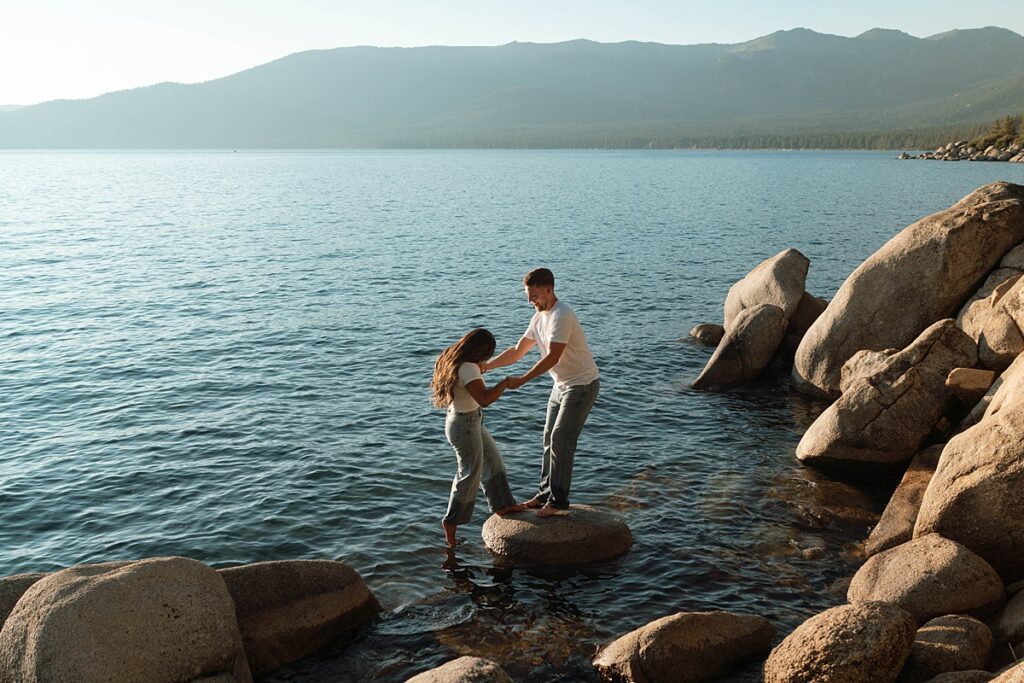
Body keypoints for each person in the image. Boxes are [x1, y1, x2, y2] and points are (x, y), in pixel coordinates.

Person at [482, 268, 600, 518]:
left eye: (534, 295)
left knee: (561, 438)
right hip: (561, 385)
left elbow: (552, 357)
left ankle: (559, 502)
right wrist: (487, 366)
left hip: (581, 384)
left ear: (549, 289)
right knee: (548, 438)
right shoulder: (539, 318)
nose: (530, 301)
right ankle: (545, 494)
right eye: (528, 295)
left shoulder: (562, 314)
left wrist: (523, 380)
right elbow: (518, 351)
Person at [430, 328, 525, 547]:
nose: (487, 358)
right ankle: (451, 521)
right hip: (465, 425)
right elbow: (484, 399)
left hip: (466, 420)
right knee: (469, 474)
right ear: (479, 351)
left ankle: (503, 505)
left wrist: (484, 368)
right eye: (487, 354)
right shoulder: (468, 367)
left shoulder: (453, 359)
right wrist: (504, 383)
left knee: (492, 459)